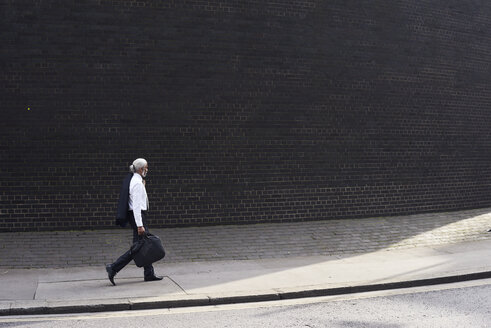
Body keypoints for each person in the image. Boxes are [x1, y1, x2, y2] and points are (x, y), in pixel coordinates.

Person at [106, 158, 163, 285]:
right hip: (138, 216)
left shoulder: (137, 181)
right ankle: (114, 267)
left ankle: (149, 273)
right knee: (139, 247)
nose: (147, 170)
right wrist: (140, 225)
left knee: (143, 244)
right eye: (146, 168)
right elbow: (136, 205)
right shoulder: (136, 183)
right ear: (141, 169)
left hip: (137, 216)